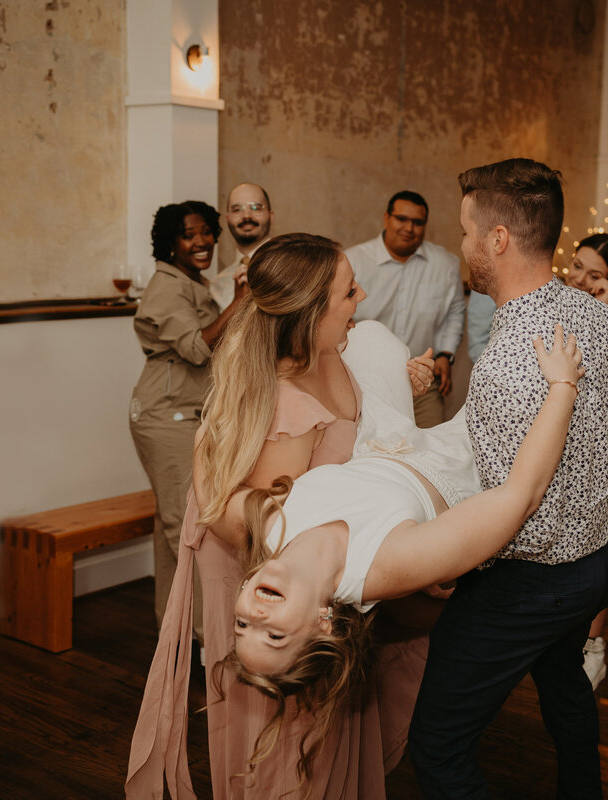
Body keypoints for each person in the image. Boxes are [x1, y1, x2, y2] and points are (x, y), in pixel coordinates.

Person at [126, 233, 433, 800]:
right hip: (268, 577)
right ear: (310, 311)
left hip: (315, 566)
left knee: (328, 717)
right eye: (348, 291)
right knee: (284, 724)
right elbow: (256, 530)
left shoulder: (330, 352)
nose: (361, 296)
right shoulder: (287, 403)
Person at [223, 321, 583, 783]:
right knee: (536, 356)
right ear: (322, 623)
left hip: (382, 439)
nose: (257, 616)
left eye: (242, 625)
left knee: (370, 334)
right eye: (273, 637)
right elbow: (519, 497)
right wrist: (562, 386)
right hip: (463, 455)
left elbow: (211, 486)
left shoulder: (260, 531)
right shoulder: (385, 565)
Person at [408, 158, 608, 800]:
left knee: (436, 748)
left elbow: (516, 505)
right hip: (604, 558)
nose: (460, 246)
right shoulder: (597, 315)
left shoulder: (509, 357)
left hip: (532, 579)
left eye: (464, 231)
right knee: (565, 684)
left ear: (498, 239)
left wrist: (445, 562)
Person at [129, 201, 248, 624]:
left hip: (186, 414)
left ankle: (173, 629)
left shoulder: (190, 281)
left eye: (205, 232)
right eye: (188, 235)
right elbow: (197, 349)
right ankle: (202, 637)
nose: (201, 242)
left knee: (175, 528)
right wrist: (242, 300)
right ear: (170, 243)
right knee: (188, 527)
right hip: (166, 417)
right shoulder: (167, 285)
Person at [563, 232, 608, 691]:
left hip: (604, 456)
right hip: (560, 448)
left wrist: (604, 312)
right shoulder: (551, 307)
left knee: (600, 547)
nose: (581, 280)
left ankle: (594, 646)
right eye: (576, 267)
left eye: (596, 275)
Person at [347, 190, 466, 428]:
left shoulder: (446, 264)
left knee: (429, 450)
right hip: (364, 379)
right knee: (368, 452)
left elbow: (454, 312)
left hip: (423, 377)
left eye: (417, 222)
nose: (409, 228)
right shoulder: (353, 260)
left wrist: (446, 353)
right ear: (387, 218)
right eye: (401, 219)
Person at [210, 183, 273, 308]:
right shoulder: (218, 284)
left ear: (271, 216)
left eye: (256, 208)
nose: (246, 216)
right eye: (237, 209)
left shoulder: (291, 265)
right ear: (227, 219)